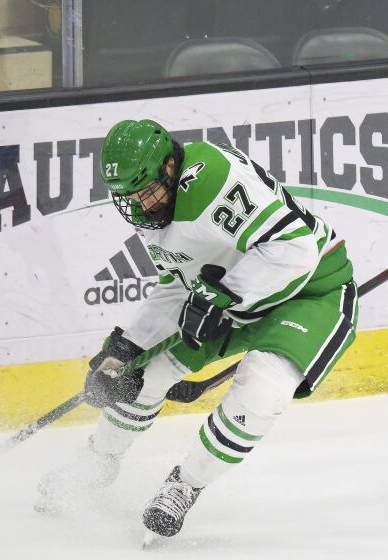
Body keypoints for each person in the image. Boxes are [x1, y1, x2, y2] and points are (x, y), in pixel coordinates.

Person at [36, 119, 358, 538]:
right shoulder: (154, 206)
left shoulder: (213, 181)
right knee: (139, 376)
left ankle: (183, 486)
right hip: (229, 298)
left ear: (170, 167)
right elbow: (179, 282)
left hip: (311, 290)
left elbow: (295, 249)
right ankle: (98, 461)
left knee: (261, 390)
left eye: (147, 192)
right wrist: (127, 346)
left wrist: (225, 294)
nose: (140, 207)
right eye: (128, 198)